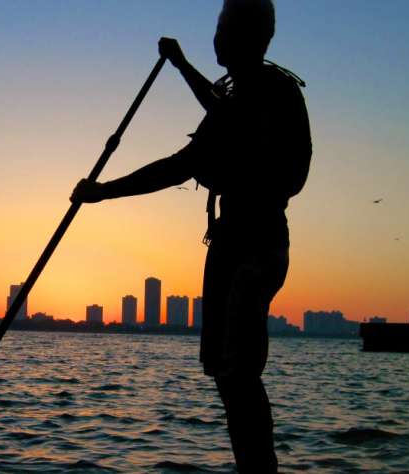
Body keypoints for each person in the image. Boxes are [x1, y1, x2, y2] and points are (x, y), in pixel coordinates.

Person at [70, 1, 311, 472]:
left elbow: (182, 163)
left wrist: (102, 192)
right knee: (229, 373)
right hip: (238, 246)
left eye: (222, 28)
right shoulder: (244, 99)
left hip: (252, 249)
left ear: (244, 37)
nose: (215, 37)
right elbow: (211, 125)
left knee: (237, 373)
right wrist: (181, 65)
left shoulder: (263, 95)